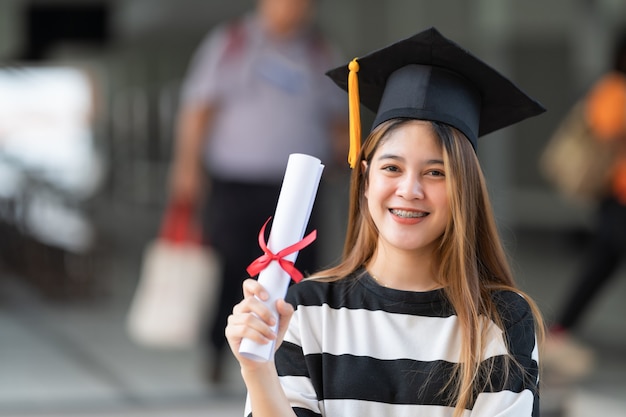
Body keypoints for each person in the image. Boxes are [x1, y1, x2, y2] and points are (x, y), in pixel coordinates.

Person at [225, 27, 546, 417]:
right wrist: (257, 370)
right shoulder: (306, 310)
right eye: (392, 167)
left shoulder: (500, 320)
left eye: (436, 173)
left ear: (466, 189)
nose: (409, 190)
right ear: (364, 180)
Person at [167, 0, 348, 383]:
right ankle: (219, 351)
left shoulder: (319, 51)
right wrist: (186, 166)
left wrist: (351, 164)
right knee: (232, 268)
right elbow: (198, 109)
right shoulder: (230, 42)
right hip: (236, 182)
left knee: (300, 275)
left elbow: (338, 120)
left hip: (298, 189)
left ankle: (296, 359)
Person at [543, 29, 626, 379]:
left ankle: (559, 330)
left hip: (617, 203)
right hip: (619, 200)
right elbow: (607, 126)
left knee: (599, 266)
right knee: (599, 266)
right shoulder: (614, 90)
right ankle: (558, 331)